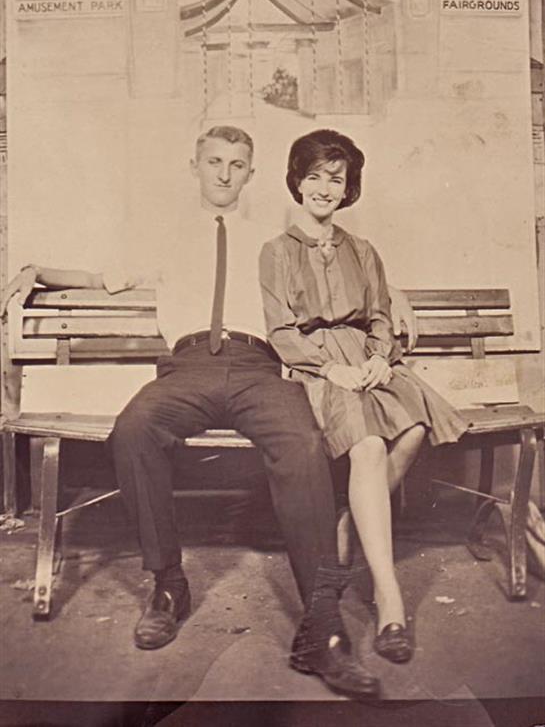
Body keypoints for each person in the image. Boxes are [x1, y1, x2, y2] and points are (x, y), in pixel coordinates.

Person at [1, 125, 416, 699]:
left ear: (251, 173)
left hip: (258, 369)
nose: (224, 173)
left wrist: (399, 298)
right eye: (214, 161)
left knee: (303, 444)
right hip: (188, 367)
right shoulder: (163, 234)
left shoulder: (277, 236)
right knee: (134, 429)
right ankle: (168, 583)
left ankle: (322, 626)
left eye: (237, 164)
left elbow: (341, 265)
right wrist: (36, 270)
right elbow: (99, 278)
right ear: (194, 166)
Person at [259, 128, 468, 665]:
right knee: (369, 447)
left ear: (349, 187)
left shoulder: (364, 250)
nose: (324, 189)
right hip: (315, 367)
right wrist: (332, 368)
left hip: (367, 360)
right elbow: (281, 331)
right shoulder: (276, 251)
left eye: (336, 179)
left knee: (415, 426)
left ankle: (351, 520)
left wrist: (378, 357)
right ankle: (389, 594)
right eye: (314, 177)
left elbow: (379, 317)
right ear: (296, 182)